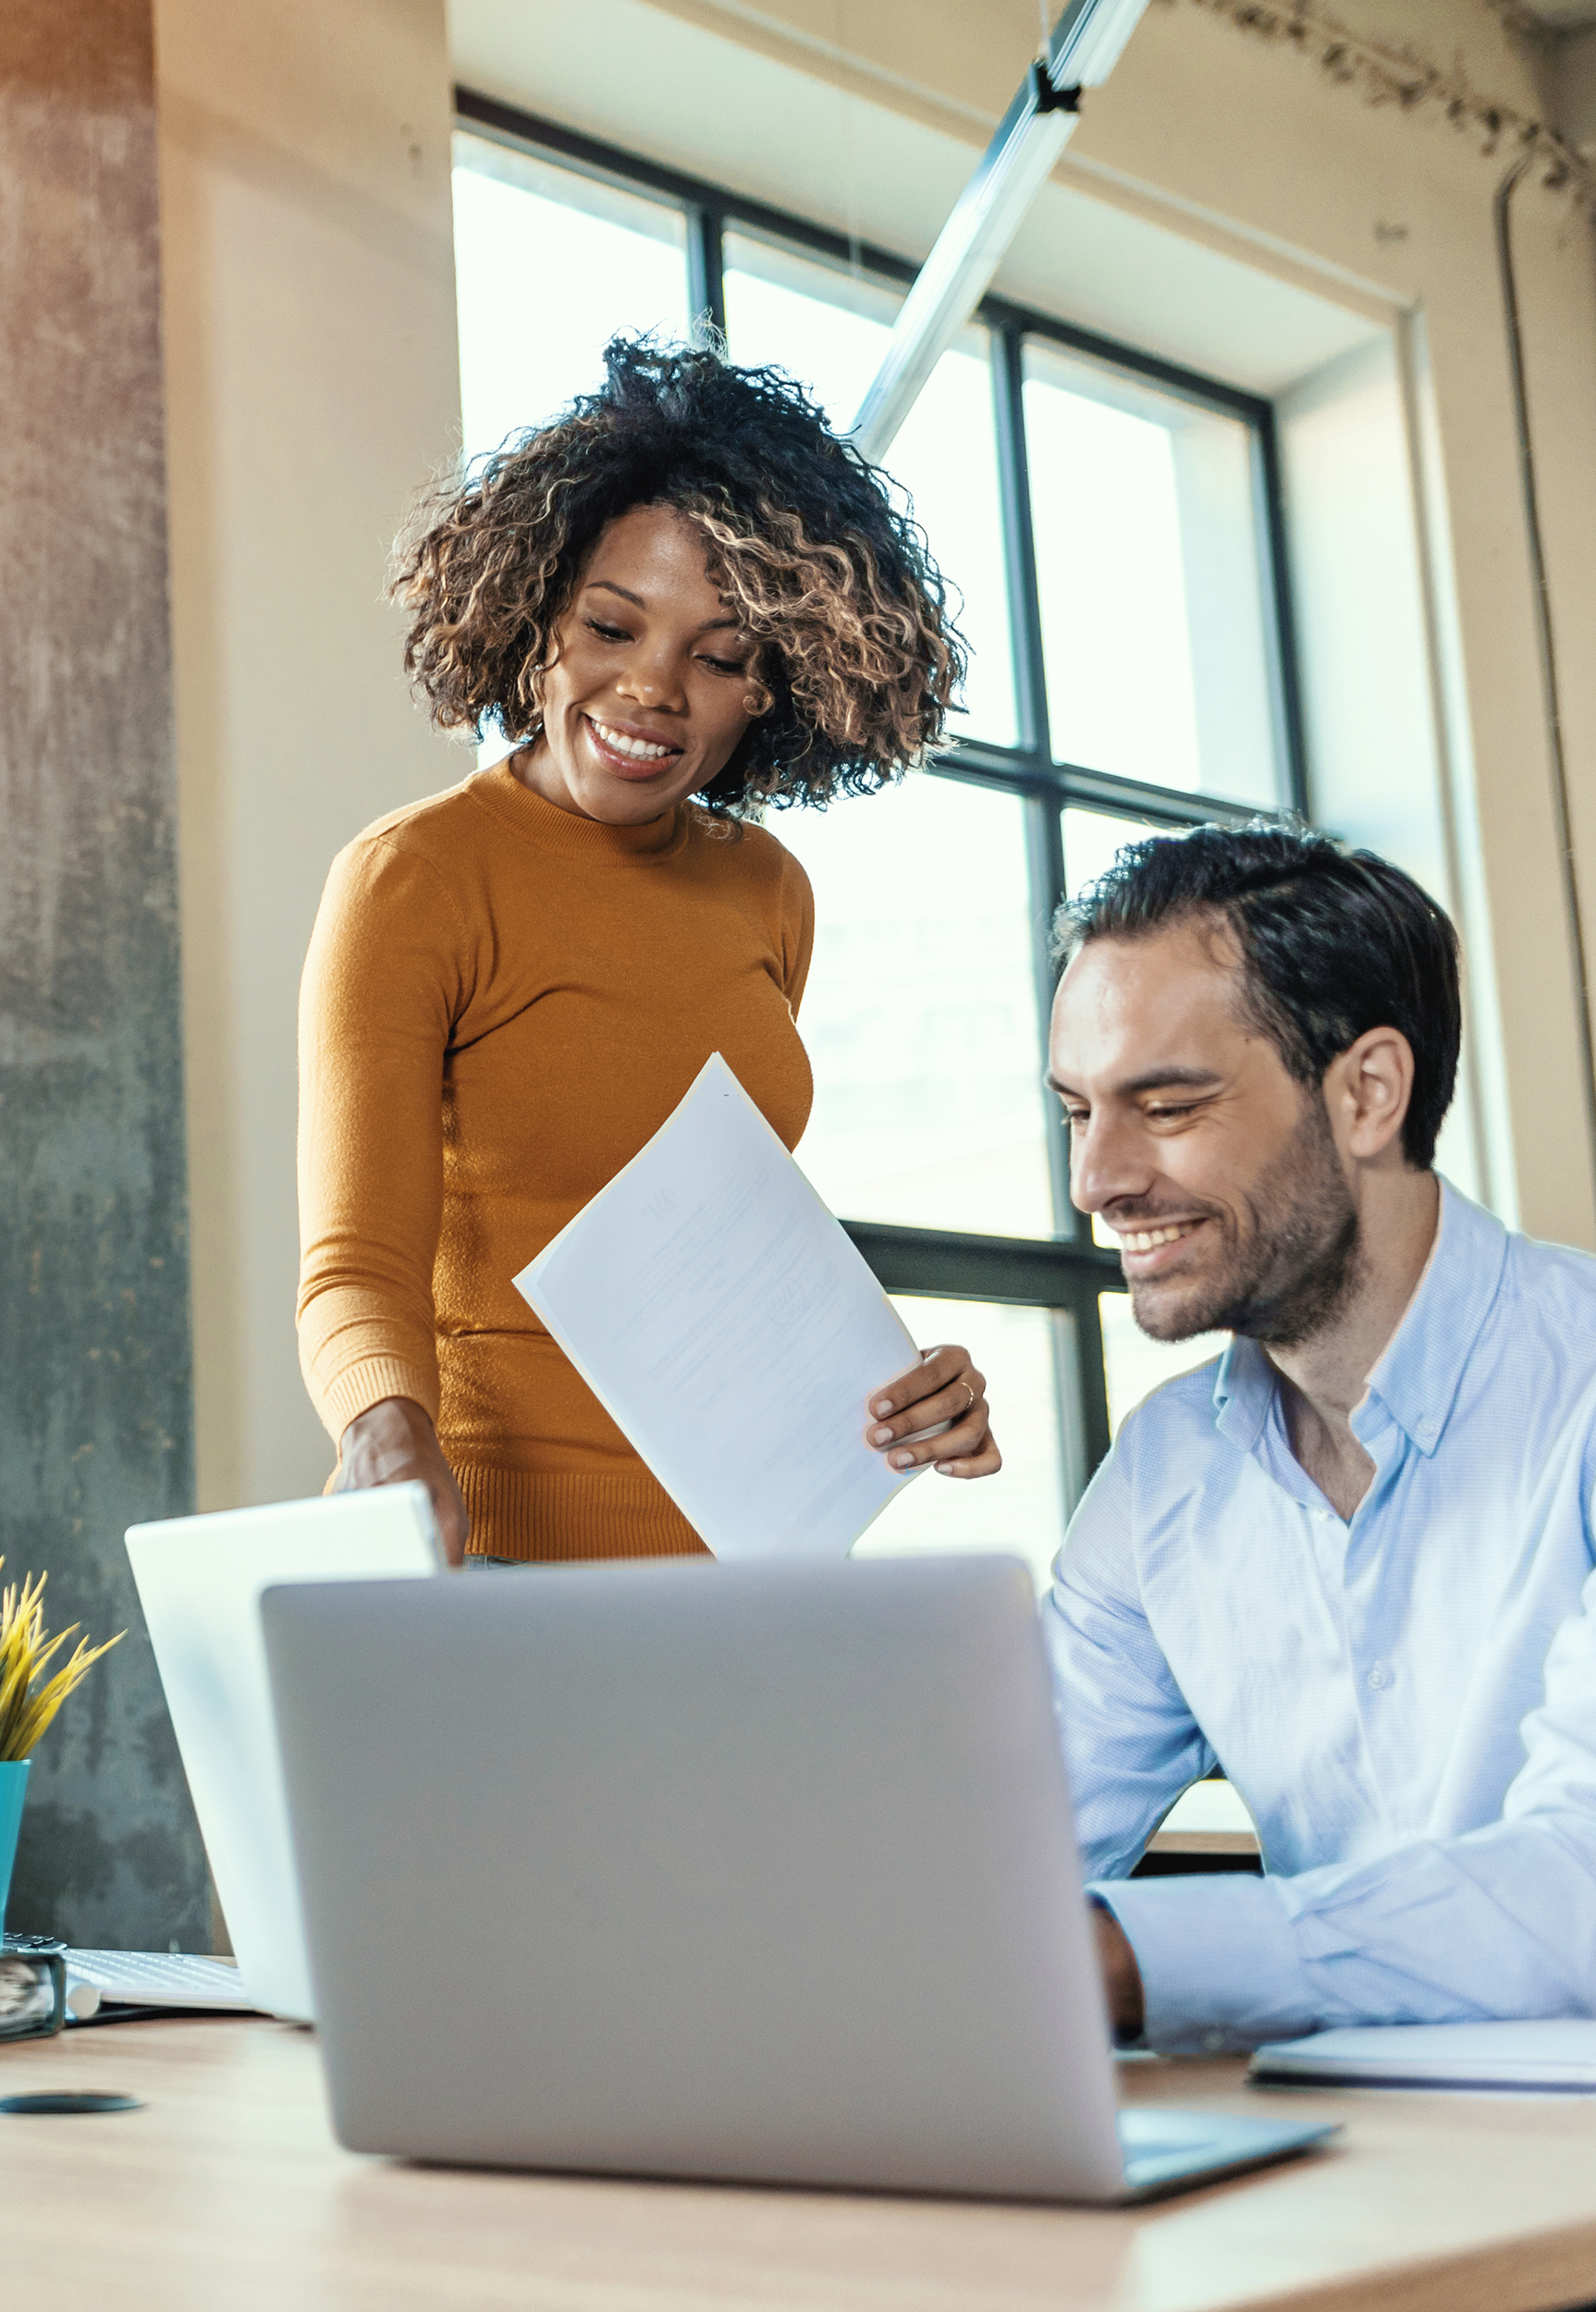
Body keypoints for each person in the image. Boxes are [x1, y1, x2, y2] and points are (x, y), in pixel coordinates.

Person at [297, 338, 1001, 1566]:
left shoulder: (768, 892)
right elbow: (356, 1265)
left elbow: (723, 1248)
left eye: (719, 657)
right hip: (496, 1560)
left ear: (774, 687)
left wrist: (903, 1387)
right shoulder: (415, 880)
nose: (651, 690)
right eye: (611, 627)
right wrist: (386, 1430)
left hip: (749, 1571)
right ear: (534, 618)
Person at [1044, 822, 1596, 2052]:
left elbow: (1581, 1896)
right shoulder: (1164, 1473)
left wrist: (1128, 1956)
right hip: (1354, 2165)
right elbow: (993, 1851)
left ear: (1367, 1092)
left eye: (1166, 1103)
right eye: (1077, 1110)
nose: (1097, 1177)